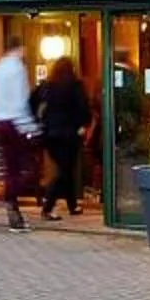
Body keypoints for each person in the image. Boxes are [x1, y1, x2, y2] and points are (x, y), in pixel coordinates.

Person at [0, 40, 38, 231]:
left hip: (0, 123)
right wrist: (30, 127)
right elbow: (21, 101)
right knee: (26, 169)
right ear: (19, 48)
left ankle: (12, 206)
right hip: (15, 123)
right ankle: (11, 203)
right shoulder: (17, 69)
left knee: (10, 167)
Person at [34, 56, 91, 221]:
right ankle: (48, 207)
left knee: (65, 170)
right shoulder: (75, 86)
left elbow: (32, 101)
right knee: (65, 171)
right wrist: (83, 124)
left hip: (50, 135)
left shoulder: (47, 86)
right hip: (69, 134)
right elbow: (83, 108)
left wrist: (39, 122)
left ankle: (72, 205)